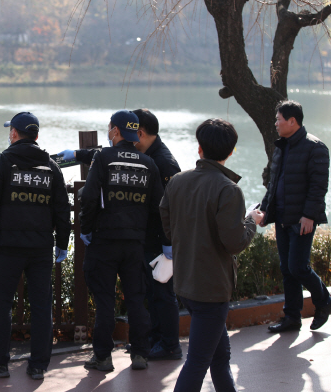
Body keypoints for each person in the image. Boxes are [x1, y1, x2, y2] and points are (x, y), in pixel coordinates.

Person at [159, 118, 262, 392]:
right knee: (198, 362)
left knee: (219, 356)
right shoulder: (228, 189)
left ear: (199, 148)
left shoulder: (178, 182)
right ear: (230, 152)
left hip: (186, 282)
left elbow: (168, 228)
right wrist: (251, 220)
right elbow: (235, 242)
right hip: (212, 288)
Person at [0, 111, 71, 380]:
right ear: (36, 135)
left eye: (10, 131)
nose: (10, 134)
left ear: (15, 134)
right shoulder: (51, 167)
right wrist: (62, 243)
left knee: (3, 305)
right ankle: (38, 365)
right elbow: (63, 210)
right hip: (40, 248)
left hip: (8, 246)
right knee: (42, 307)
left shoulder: (3, 162)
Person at [80, 109, 164, 371]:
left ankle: (103, 357)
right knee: (136, 300)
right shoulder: (148, 163)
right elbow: (158, 207)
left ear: (115, 131)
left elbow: (90, 197)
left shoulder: (104, 158)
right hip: (135, 244)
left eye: (109, 128)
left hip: (105, 242)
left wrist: (86, 229)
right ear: (135, 132)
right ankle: (140, 354)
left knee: (105, 300)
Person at [259, 101, 331, 333]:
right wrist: (265, 210)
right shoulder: (281, 147)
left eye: (278, 119)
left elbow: (318, 186)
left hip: (302, 219)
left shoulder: (316, 147)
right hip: (282, 216)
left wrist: (309, 215)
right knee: (286, 268)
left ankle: (324, 300)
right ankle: (292, 317)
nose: (276, 123)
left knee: (298, 267)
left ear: (293, 121)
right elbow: (274, 184)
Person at [132, 108, 182, 360]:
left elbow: (173, 207)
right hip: (149, 238)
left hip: (163, 241)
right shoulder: (145, 155)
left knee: (163, 293)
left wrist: (168, 243)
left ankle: (171, 344)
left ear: (139, 132)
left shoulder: (163, 162)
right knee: (151, 293)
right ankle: (154, 339)